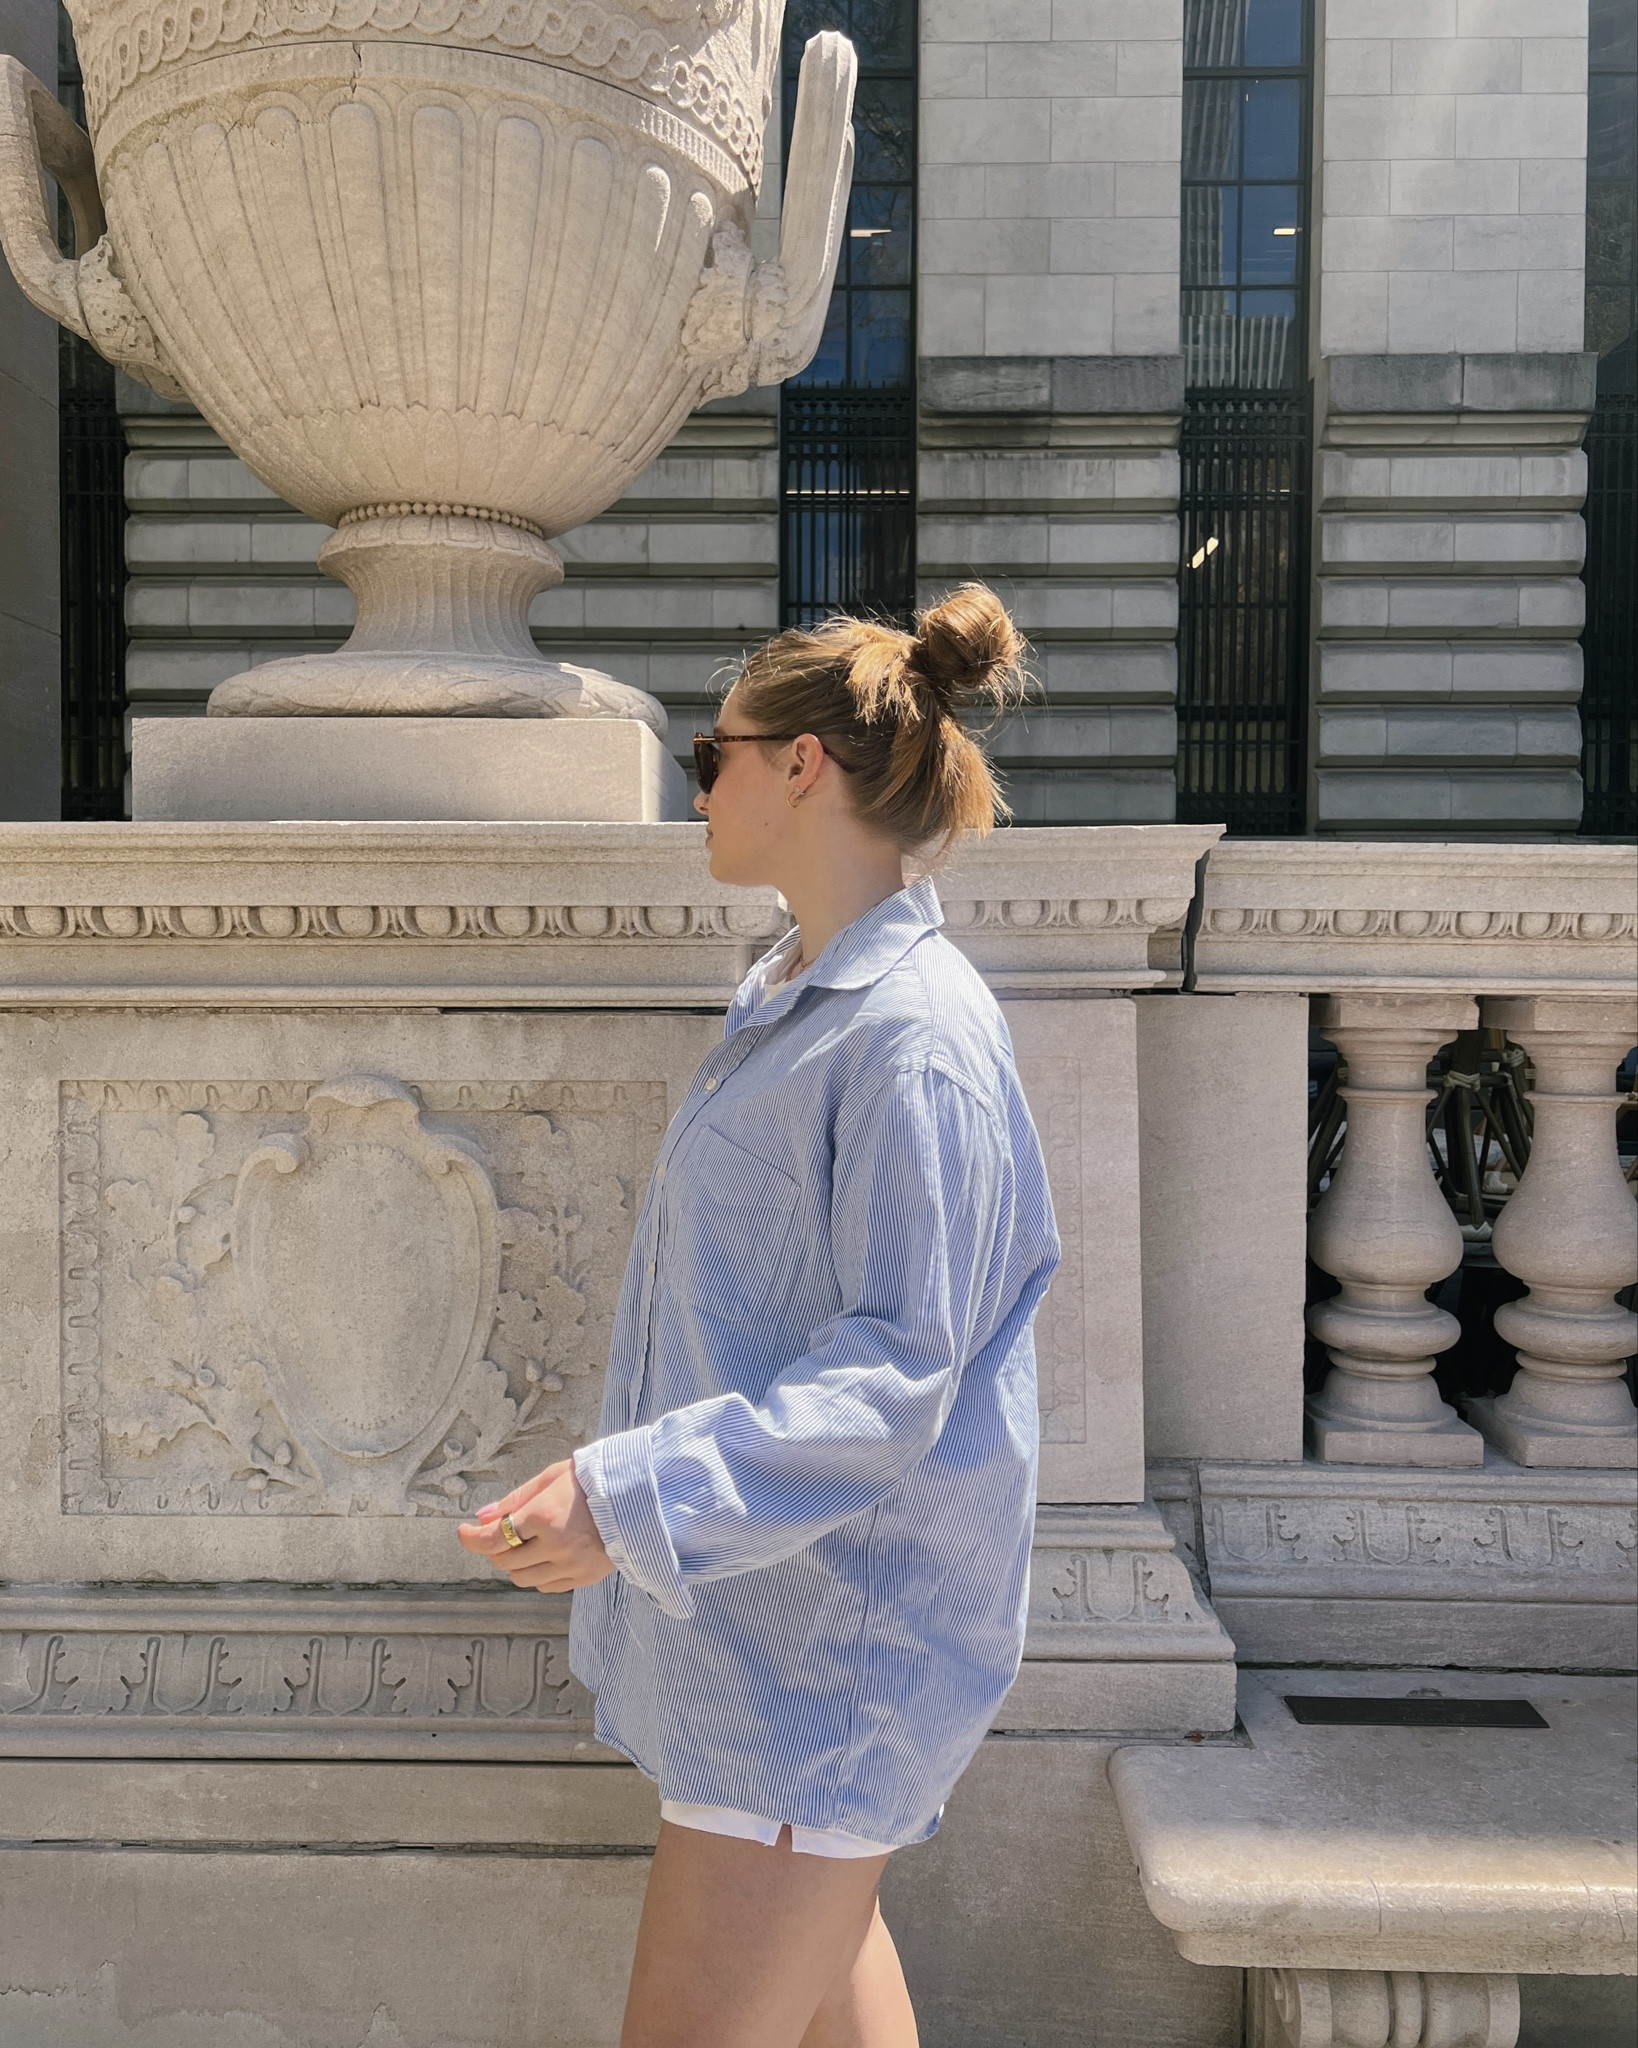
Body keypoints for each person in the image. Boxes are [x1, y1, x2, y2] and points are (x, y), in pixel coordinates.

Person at [458, 585, 1062, 2048]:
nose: (697, 789)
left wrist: (624, 1493)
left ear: (801, 765)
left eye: (707, 757)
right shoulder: (803, 995)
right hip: (773, 1648)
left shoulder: (910, 1038)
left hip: (823, 1668)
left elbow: (892, 1376)